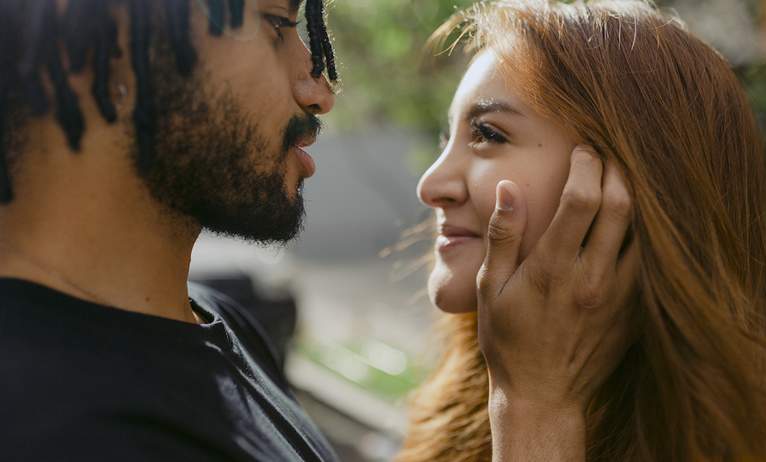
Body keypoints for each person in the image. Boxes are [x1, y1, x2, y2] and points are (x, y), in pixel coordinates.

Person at [0, 1, 625, 460]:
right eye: (277, 24)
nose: (320, 90)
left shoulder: (216, 324)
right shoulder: (50, 423)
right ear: (110, 40)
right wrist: (537, 410)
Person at [399, 0, 766, 461]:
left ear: (629, 180)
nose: (431, 185)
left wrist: (536, 406)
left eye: (488, 135)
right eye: (444, 140)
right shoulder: (459, 399)